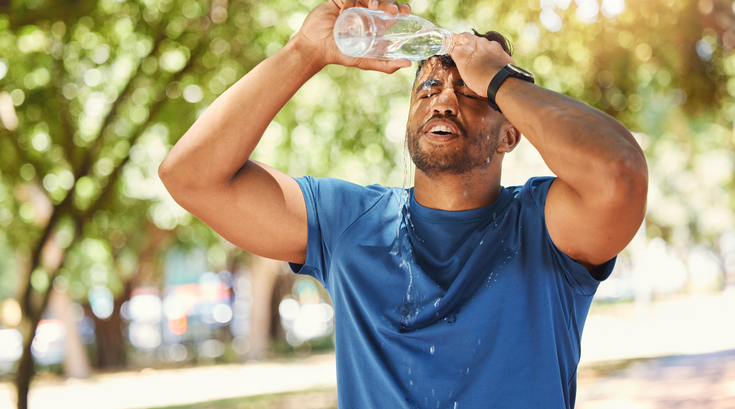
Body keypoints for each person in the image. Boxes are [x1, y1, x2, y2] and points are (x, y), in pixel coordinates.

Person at [159, 0, 648, 407]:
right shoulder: (347, 223)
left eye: (471, 91)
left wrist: (497, 78)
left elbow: (618, 174)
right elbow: (190, 176)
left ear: (510, 134)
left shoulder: (546, 228)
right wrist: (304, 52)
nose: (443, 101)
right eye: (429, 88)